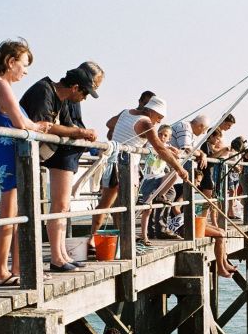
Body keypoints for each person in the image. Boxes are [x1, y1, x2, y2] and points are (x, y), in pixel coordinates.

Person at [0, 39, 52, 287]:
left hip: (1, 147)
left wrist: (35, 125)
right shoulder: (1, 85)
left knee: (17, 212)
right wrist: (39, 127)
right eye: (24, 65)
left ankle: (19, 268)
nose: (26, 71)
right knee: (9, 213)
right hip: (7, 150)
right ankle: (0, 271)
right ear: (11, 62)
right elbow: (20, 123)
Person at [20, 63, 101, 272]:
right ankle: (55, 258)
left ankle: (61, 254)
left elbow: (65, 125)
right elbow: (43, 125)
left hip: (39, 154)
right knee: (58, 205)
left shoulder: (60, 97)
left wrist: (81, 133)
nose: (84, 99)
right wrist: (80, 133)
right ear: (75, 88)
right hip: (22, 154)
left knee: (62, 206)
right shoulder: (44, 91)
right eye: (85, 93)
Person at [102, 96, 189, 247]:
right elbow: (159, 148)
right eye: (159, 117)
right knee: (127, 204)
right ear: (153, 111)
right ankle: (126, 240)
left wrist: (118, 135)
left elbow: (109, 123)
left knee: (111, 205)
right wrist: (179, 168)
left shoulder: (126, 112)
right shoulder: (146, 123)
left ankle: (114, 237)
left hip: (112, 163)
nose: (159, 121)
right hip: (128, 167)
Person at [89, 91, 155, 245]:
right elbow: (109, 124)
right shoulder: (137, 118)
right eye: (145, 103)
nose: (147, 106)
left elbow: (110, 126)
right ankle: (93, 237)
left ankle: (122, 238)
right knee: (109, 203)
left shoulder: (133, 116)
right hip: (119, 164)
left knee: (123, 205)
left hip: (128, 165)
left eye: (150, 104)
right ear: (140, 101)